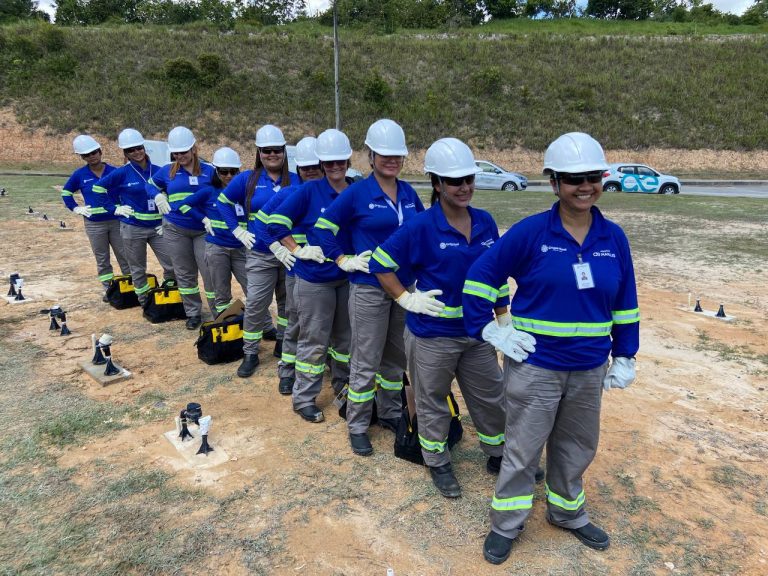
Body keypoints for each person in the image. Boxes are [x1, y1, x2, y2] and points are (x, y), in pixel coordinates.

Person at [461, 132, 639, 564]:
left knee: (577, 445)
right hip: (536, 366)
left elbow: (625, 301)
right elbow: (478, 279)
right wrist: (491, 329)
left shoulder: (612, 238)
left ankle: (567, 512)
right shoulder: (531, 233)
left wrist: (626, 353)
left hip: (588, 368)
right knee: (523, 449)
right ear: (554, 182)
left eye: (592, 177)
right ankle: (506, 524)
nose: (585, 186)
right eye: (573, 178)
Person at [370, 138, 507, 498]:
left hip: (477, 333)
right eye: (454, 181)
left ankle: (497, 453)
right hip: (433, 335)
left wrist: (502, 314)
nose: (464, 187)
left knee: (491, 396)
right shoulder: (422, 226)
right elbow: (380, 263)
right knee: (431, 401)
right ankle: (438, 462)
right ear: (437, 184)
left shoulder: (485, 221)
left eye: (468, 180)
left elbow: (496, 272)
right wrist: (405, 298)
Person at [314, 118, 425, 456]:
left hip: (403, 288)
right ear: (370, 156)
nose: (391, 160)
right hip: (369, 287)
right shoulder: (358, 193)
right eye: (384, 154)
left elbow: (421, 231)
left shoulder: (408, 193)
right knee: (365, 359)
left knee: (394, 358)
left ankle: (390, 411)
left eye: (397, 155)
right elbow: (322, 229)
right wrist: (342, 258)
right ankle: (358, 424)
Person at [267, 129, 355, 423]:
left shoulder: (356, 190)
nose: (334, 167)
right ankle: (304, 397)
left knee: (344, 341)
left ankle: (343, 387)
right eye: (328, 163)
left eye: (339, 161)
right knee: (314, 341)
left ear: (348, 160)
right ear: (321, 164)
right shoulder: (308, 191)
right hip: (314, 279)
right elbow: (275, 223)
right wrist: (297, 249)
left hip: (345, 278)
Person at [217, 124, 300, 377]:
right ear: (259, 152)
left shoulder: (295, 180)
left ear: (284, 152)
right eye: (266, 151)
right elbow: (223, 203)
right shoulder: (247, 179)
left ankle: (283, 341)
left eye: (276, 150)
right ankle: (250, 352)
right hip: (261, 254)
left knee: (288, 304)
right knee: (256, 304)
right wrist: (237, 230)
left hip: (288, 255)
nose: (271, 155)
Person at [256, 137, 324, 395]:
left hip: (330, 271)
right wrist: (277, 247)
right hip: (299, 270)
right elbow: (262, 224)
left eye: (315, 165)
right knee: (295, 321)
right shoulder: (289, 193)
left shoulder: (336, 193)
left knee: (327, 325)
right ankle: (288, 371)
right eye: (305, 167)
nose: (311, 171)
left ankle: (322, 366)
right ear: (298, 169)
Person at [93, 128, 175, 306]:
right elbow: (98, 189)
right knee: (137, 268)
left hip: (157, 227)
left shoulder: (159, 170)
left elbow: (173, 193)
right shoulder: (122, 172)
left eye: (139, 148)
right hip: (132, 227)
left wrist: (168, 219)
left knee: (171, 263)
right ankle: (144, 301)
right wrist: (114, 209)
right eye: (131, 150)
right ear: (125, 153)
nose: (136, 152)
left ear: (144, 148)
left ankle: (169, 293)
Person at [146, 126, 216, 330]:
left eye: (184, 152)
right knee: (184, 273)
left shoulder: (210, 170)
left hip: (204, 229)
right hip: (176, 228)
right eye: (176, 153)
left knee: (210, 272)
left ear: (194, 148)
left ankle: (218, 311)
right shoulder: (167, 170)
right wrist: (157, 195)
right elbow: (149, 185)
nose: (180, 156)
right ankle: (193, 312)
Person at [171, 146, 248, 316]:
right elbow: (181, 205)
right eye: (223, 171)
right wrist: (202, 218)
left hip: (241, 248)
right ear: (216, 171)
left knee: (253, 289)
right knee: (221, 294)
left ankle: (265, 326)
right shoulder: (208, 191)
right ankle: (225, 327)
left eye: (233, 171)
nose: (228, 175)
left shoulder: (245, 193)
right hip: (217, 249)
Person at [61, 134, 130, 300]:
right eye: (86, 155)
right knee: (102, 258)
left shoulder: (115, 171)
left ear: (100, 151)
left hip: (116, 221)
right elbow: (66, 192)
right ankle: (108, 289)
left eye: (93, 152)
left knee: (125, 255)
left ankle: (131, 286)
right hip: (94, 224)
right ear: (82, 157)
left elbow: (127, 191)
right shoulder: (79, 175)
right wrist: (75, 208)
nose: (91, 157)